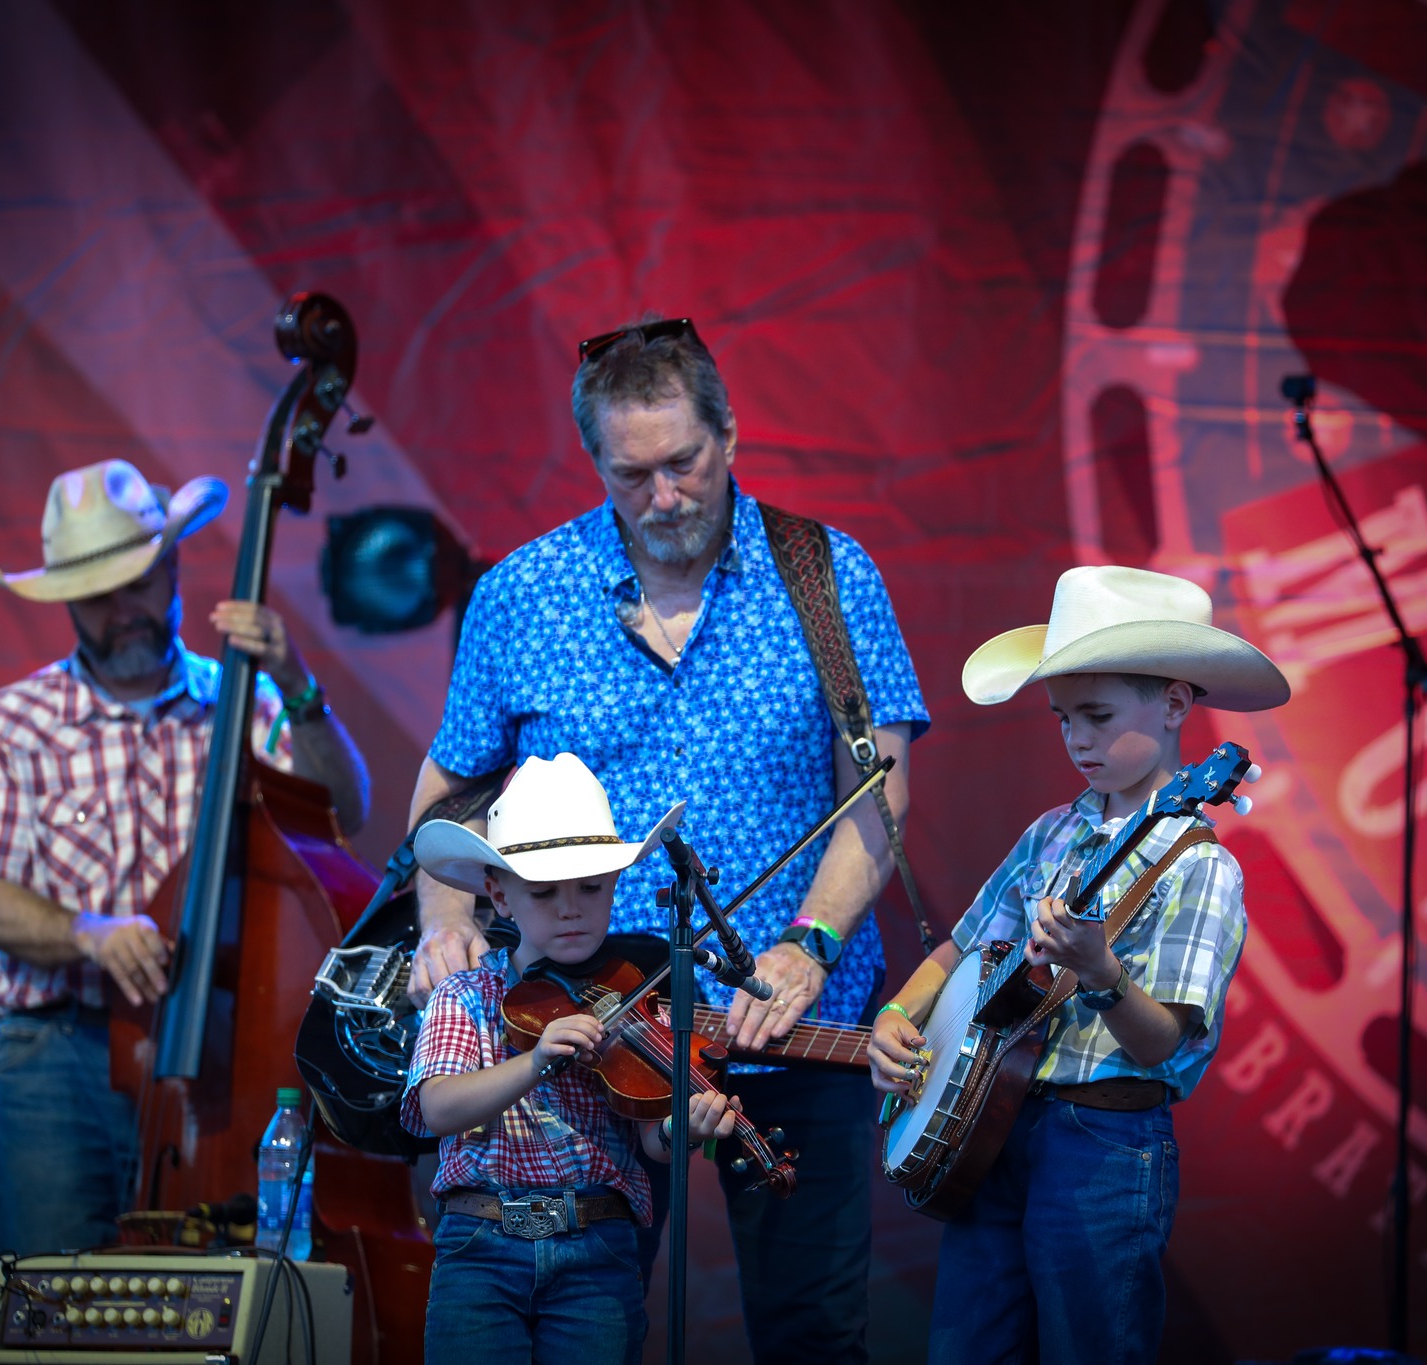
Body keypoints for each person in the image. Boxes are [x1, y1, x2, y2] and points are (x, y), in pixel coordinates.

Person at [408, 317, 929, 1362]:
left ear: (728, 435)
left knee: (810, 1331)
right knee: (579, 1328)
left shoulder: (826, 577)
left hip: (787, 1020)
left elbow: (878, 797)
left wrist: (809, 942)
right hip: (584, 1029)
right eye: (631, 473)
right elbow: (447, 786)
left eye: (683, 462)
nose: (665, 497)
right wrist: (445, 916)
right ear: (595, 462)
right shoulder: (522, 592)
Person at [0, 459, 371, 1261]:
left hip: (210, 1049)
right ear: (64, 600)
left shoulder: (237, 700)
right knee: (53, 1311)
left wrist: (296, 682)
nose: (123, 610)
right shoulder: (10, 723)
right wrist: (91, 932)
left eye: (137, 581)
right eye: (97, 596)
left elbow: (343, 813)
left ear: (172, 566)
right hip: (56, 1054)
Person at [867, 565, 1290, 1364]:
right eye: (1064, 719)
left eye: (1096, 715)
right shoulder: (1050, 832)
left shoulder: (1199, 865)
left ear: (1174, 703)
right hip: (989, 1127)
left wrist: (1101, 971)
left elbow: (1163, 1042)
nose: (1077, 739)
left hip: (1103, 1142)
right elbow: (958, 948)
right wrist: (899, 1015)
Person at [405, 752, 741, 1365]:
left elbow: (650, 1141)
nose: (570, 908)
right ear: (498, 895)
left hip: (598, 1250)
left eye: (591, 888)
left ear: (615, 886)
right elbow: (436, 1108)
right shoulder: (468, 996)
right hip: (480, 1247)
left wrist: (681, 1129)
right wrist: (532, 1064)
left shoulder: (636, 996)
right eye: (544, 892)